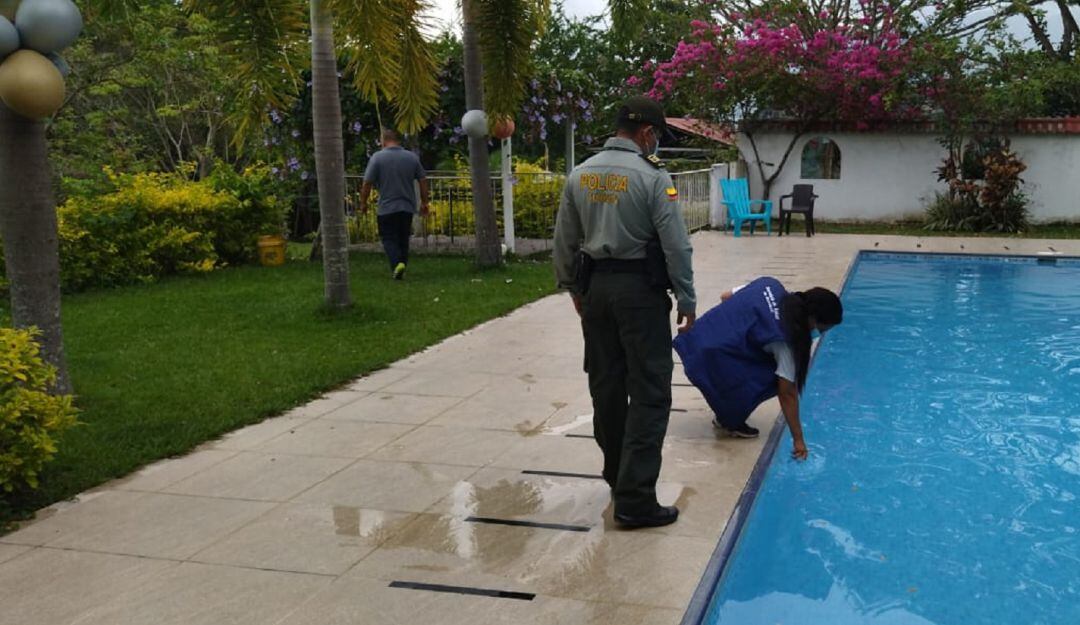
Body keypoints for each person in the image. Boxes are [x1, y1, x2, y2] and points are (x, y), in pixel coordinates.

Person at [553, 95, 696, 529]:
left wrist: (574, 287)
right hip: (640, 292)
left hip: (596, 291)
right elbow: (675, 244)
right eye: (657, 138)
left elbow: (565, 238)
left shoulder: (580, 174)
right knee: (651, 391)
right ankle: (635, 500)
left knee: (607, 387)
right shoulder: (654, 179)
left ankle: (618, 477)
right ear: (647, 133)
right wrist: (687, 298)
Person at [673, 278, 843, 460]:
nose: (820, 334)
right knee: (773, 377)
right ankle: (729, 420)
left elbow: (725, 297)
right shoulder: (786, 340)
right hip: (708, 360)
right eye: (822, 329)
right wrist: (798, 440)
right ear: (811, 319)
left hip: (696, 338)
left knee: (759, 351)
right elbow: (787, 394)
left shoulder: (769, 285)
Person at [360, 129, 430, 280]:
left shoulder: (377, 158)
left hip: (386, 207)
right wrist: (425, 202)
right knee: (403, 238)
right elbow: (423, 180)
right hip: (407, 206)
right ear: (397, 140)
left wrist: (363, 203)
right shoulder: (411, 157)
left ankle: (397, 263)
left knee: (389, 238)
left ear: (383, 141)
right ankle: (402, 267)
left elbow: (367, 183)